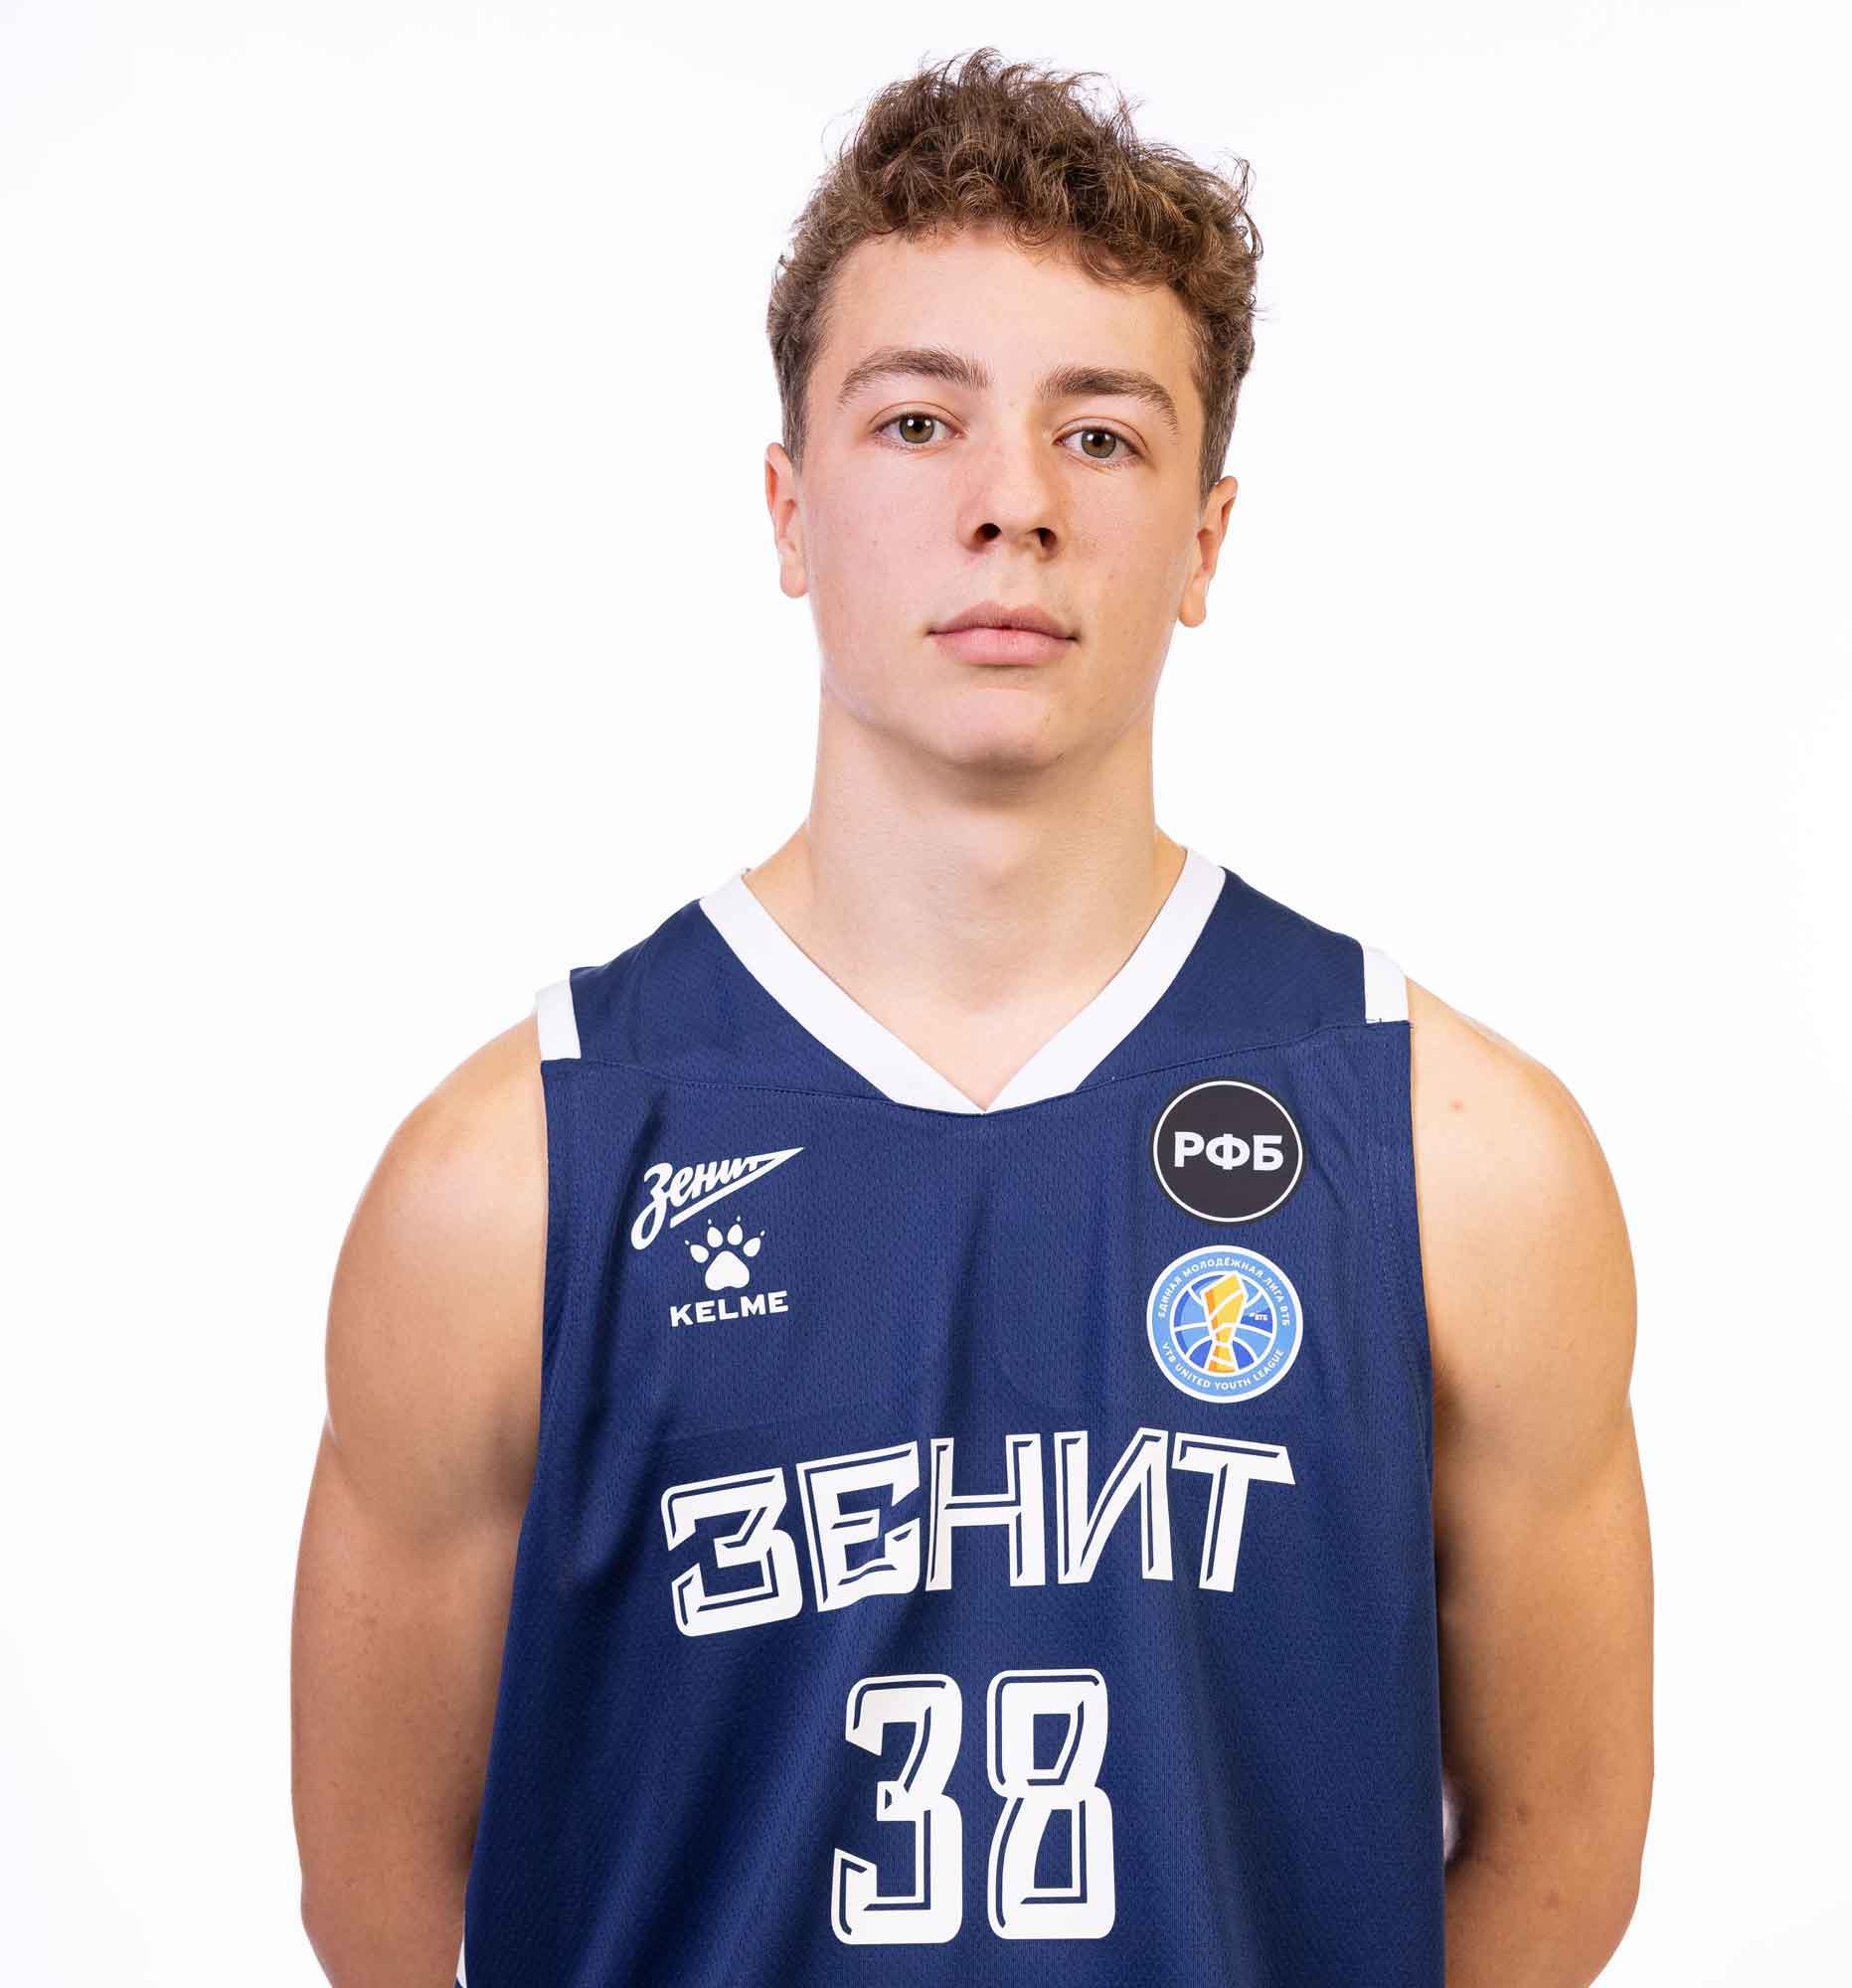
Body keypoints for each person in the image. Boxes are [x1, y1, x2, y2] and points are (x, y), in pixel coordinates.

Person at [291, 46, 1652, 1987]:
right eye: (919, 421)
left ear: (1205, 538)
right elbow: (380, 1897)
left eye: (1099, 435)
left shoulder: (1459, 1160)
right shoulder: (510, 1182)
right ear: (787, 510)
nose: (1012, 505)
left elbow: (1566, 1843)